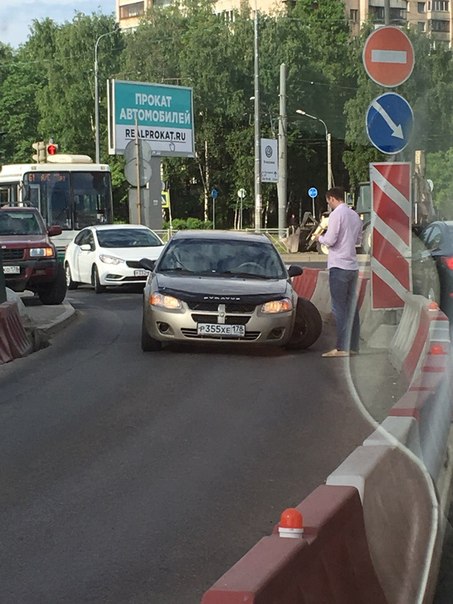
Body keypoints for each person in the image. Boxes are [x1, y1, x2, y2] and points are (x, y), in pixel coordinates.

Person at [314, 186, 363, 358]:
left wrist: (319, 237)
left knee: (339, 309)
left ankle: (342, 348)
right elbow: (358, 239)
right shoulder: (354, 215)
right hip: (352, 267)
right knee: (352, 308)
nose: (329, 205)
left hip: (339, 266)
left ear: (332, 198)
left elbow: (331, 240)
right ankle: (354, 346)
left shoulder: (336, 215)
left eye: (329, 201)